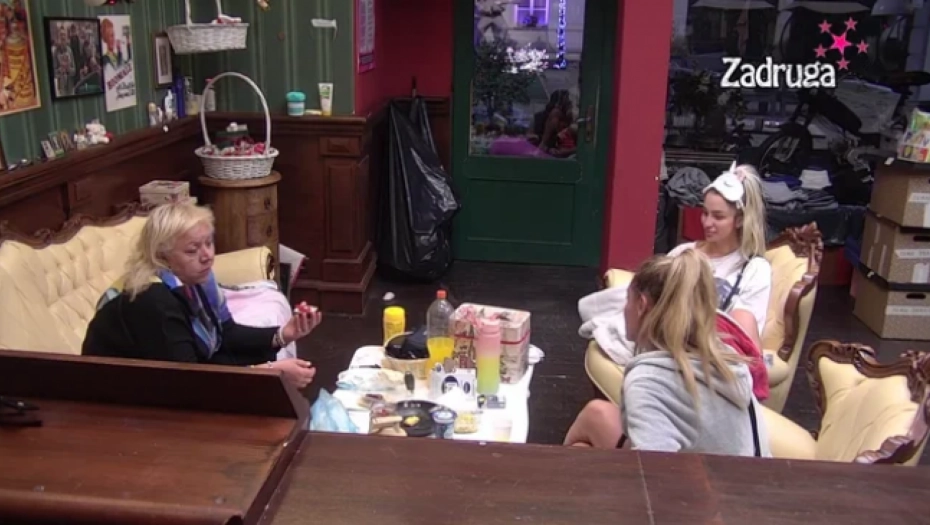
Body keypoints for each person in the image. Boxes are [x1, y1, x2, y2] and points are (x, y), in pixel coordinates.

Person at [82, 202, 321, 390]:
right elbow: (192, 382)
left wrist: (283, 334)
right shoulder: (153, 301)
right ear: (162, 257)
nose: (207, 256)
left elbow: (225, 333)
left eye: (209, 243)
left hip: (169, 378)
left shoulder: (197, 280)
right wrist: (271, 372)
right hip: (112, 394)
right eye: (192, 250)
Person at [565, 250, 770, 457]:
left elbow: (654, 472)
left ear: (641, 305)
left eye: (628, 300)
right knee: (596, 412)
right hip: (746, 470)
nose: (625, 309)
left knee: (580, 450)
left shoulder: (649, 382)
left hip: (696, 476)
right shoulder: (725, 358)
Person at [667, 162, 771, 350]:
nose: (707, 223)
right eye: (705, 213)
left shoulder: (754, 269)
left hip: (717, 354)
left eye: (718, 216)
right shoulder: (683, 252)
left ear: (740, 219)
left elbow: (745, 336)